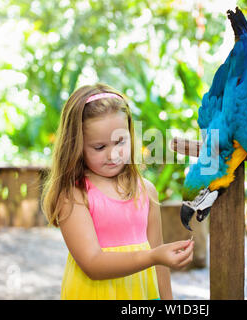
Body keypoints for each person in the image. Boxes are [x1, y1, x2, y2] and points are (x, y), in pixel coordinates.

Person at [41, 83, 194, 300]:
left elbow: (159, 262)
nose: (113, 154)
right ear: (76, 145)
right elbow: (92, 264)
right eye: (100, 147)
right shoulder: (74, 195)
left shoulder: (146, 191)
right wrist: (152, 257)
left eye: (120, 141)